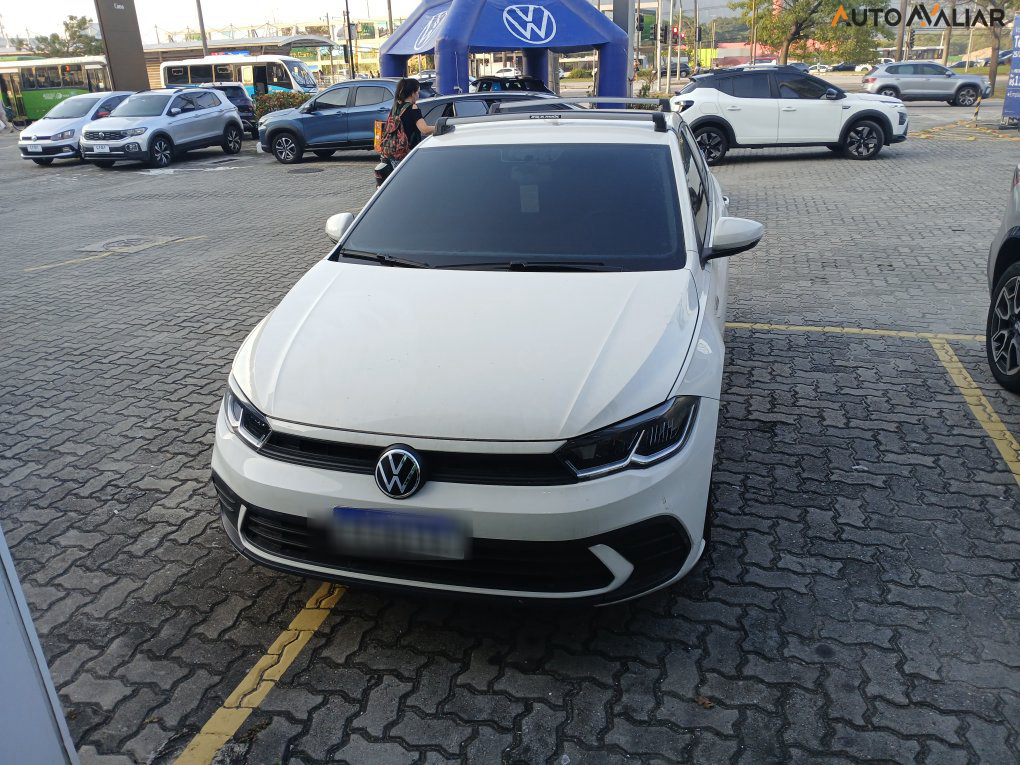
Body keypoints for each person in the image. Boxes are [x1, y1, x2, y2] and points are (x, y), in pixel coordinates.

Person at [376, 77, 435, 185]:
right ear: (412, 93)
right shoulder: (413, 108)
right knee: (413, 183)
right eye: (417, 92)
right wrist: (442, 127)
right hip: (408, 153)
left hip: (393, 153)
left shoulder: (396, 107)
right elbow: (425, 129)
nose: (418, 95)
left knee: (399, 183)